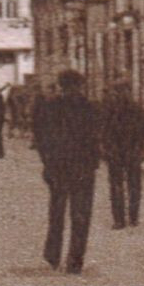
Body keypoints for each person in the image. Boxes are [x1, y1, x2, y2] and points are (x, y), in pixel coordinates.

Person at [36, 69, 100, 273]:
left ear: (61, 85)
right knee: (81, 215)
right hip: (82, 168)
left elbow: (42, 139)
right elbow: (96, 138)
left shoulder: (51, 107)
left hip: (59, 167)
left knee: (57, 212)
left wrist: (47, 162)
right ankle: (75, 260)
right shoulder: (89, 108)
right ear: (80, 85)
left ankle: (53, 255)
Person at [101, 80, 144, 229]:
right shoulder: (116, 110)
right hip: (119, 151)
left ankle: (127, 218)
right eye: (119, 91)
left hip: (128, 150)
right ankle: (124, 219)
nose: (121, 94)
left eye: (123, 90)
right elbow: (104, 130)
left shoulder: (133, 109)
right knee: (123, 185)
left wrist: (140, 146)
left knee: (129, 185)